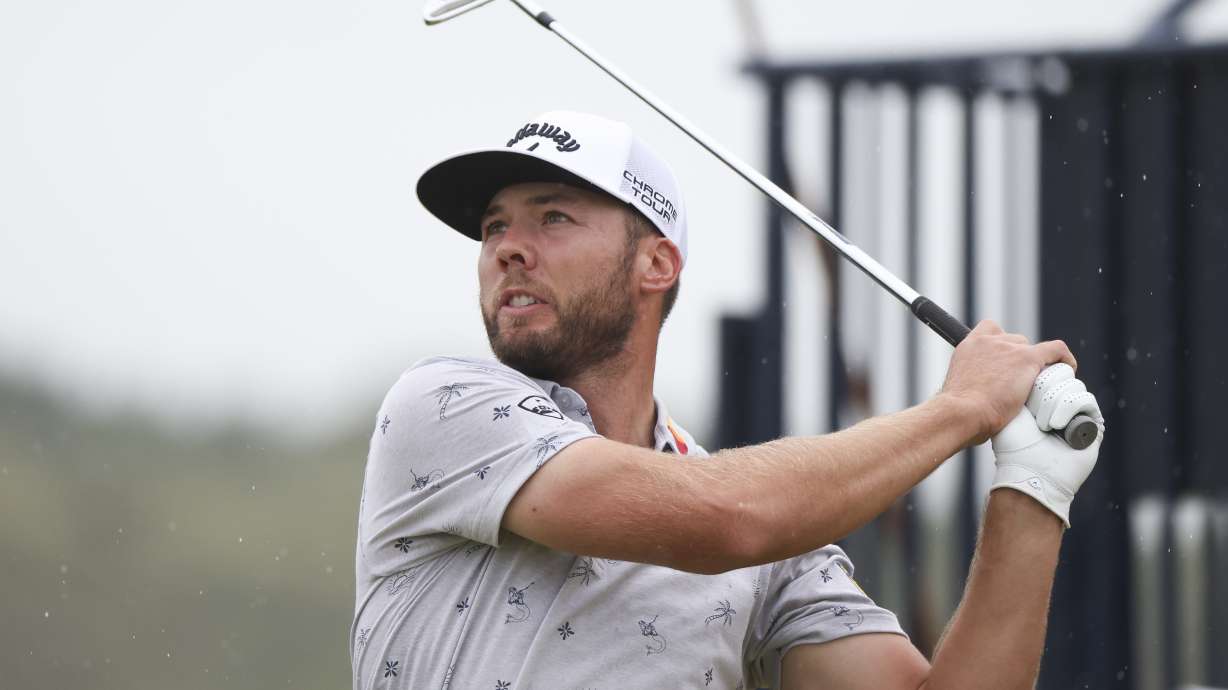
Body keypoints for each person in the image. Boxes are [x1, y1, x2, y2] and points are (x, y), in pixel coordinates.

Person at [350, 110, 1104, 689]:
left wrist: (1033, 488)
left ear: (657, 263)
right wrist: (958, 410)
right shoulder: (443, 408)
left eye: (552, 216)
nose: (507, 247)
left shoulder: (775, 547)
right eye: (492, 228)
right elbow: (728, 518)